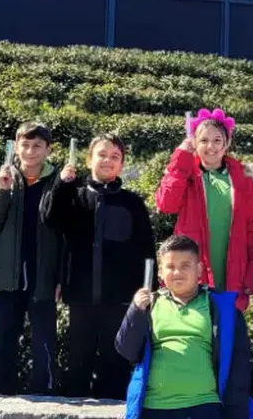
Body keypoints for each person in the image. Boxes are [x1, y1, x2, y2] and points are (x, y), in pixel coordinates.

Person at [44, 133, 156, 399]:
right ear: (89, 159)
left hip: (119, 298)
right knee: (78, 358)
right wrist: (62, 184)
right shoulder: (74, 196)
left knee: (114, 360)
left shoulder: (132, 203)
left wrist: (149, 287)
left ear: (122, 164)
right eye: (102, 155)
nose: (107, 160)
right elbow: (51, 218)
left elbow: (146, 249)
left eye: (114, 156)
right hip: (80, 295)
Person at [115, 235, 253, 419]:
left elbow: (238, 368)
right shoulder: (149, 305)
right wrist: (135, 311)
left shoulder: (223, 309)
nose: (177, 272)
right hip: (153, 407)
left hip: (205, 406)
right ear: (160, 272)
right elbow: (127, 350)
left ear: (199, 269)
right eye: (170, 266)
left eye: (185, 266)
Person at [155, 108, 253, 310]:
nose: (210, 146)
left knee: (225, 328)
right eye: (204, 140)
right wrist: (181, 156)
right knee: (194, 327)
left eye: (217, 140)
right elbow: (166, 204)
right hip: (192, 271)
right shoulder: (186, 172)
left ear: (227, 143)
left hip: (232, 275)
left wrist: (251, 275)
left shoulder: (242, 177)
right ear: (194, 143)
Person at [0, 121, 64, 395]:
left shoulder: (58, 181)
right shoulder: (5, 178)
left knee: (44, 339)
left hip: (43, 274)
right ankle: (2, 394)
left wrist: (60, 277)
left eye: (37, 146)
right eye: (25, 145)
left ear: (48, 149)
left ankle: (43, 393)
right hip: (8, 275)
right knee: (5, 339)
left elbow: (66, 234)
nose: (30, 151)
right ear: (16, 147)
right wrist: (1, 190)